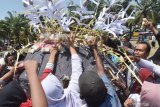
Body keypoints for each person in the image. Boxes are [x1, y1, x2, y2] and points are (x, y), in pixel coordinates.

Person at [79, 37, 122, 107]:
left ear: (82, 97)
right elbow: (101, 71)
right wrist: (94, 48)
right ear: (105, 90)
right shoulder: (111, 96)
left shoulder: (109, 94)